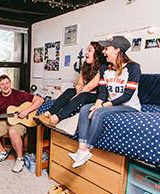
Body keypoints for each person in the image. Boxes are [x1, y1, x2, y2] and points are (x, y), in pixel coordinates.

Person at [70, 36, 141, 168]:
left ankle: (87, 150)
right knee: (85, 109)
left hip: (129, 106)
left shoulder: (133, 68)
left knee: (99, 113)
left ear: (117, 50)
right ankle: (80, 149)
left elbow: (127, 96)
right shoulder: (104, 68)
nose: (103, 52)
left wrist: (101, 106)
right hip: (110, 103)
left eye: (106, 48)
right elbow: (102, 92)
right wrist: (97, 104)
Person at [0, 75, 44, 173]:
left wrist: (26, 111)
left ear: (10, 84)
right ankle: (2, 152)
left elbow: (40, 100)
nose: (5, 86)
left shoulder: (19, 94)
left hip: (20, 123)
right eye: (2, 84)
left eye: (7, 83)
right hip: (5, 122)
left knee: (12, 131)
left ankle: (20, 159)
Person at [39, 42, 107, 126]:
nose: (86, 53)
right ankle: (49, 112)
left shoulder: (103, 68)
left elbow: (89, 87)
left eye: (89, 50)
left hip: (97, 95)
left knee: (83, 95)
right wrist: (78, 86)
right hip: (85, 91)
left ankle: (57, 118)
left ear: (97, 54)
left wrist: (76, 96)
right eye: (87, 50)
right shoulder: (85, 66)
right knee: (70, 91)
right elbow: (80, 83)